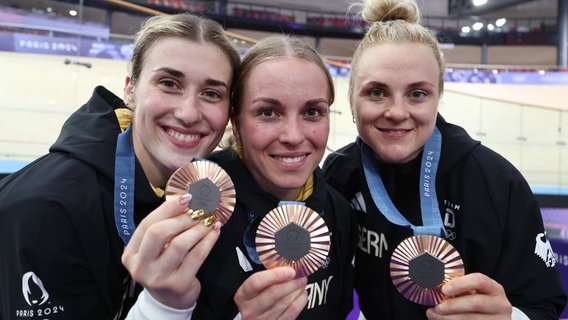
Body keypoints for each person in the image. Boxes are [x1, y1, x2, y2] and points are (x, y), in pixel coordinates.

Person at [322, 0, 567, 319]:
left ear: (438, 95)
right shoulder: (341, 172)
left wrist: (510, 317)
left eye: (417, 94)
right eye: (377, 92)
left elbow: (544, 303)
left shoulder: (497, 183)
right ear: (351, 98)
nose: (397, 112)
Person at [0, 13, 240, 319]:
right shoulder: (43, 211)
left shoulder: (212, 197)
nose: (189, 113)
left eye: (211, 93)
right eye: (169, 83)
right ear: (130, 91)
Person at [188, 35, 356, 319]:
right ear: (236, 123)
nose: (293, 136)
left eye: (312, 112)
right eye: (268, 112)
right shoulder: (198, 200)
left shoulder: (338, 210)